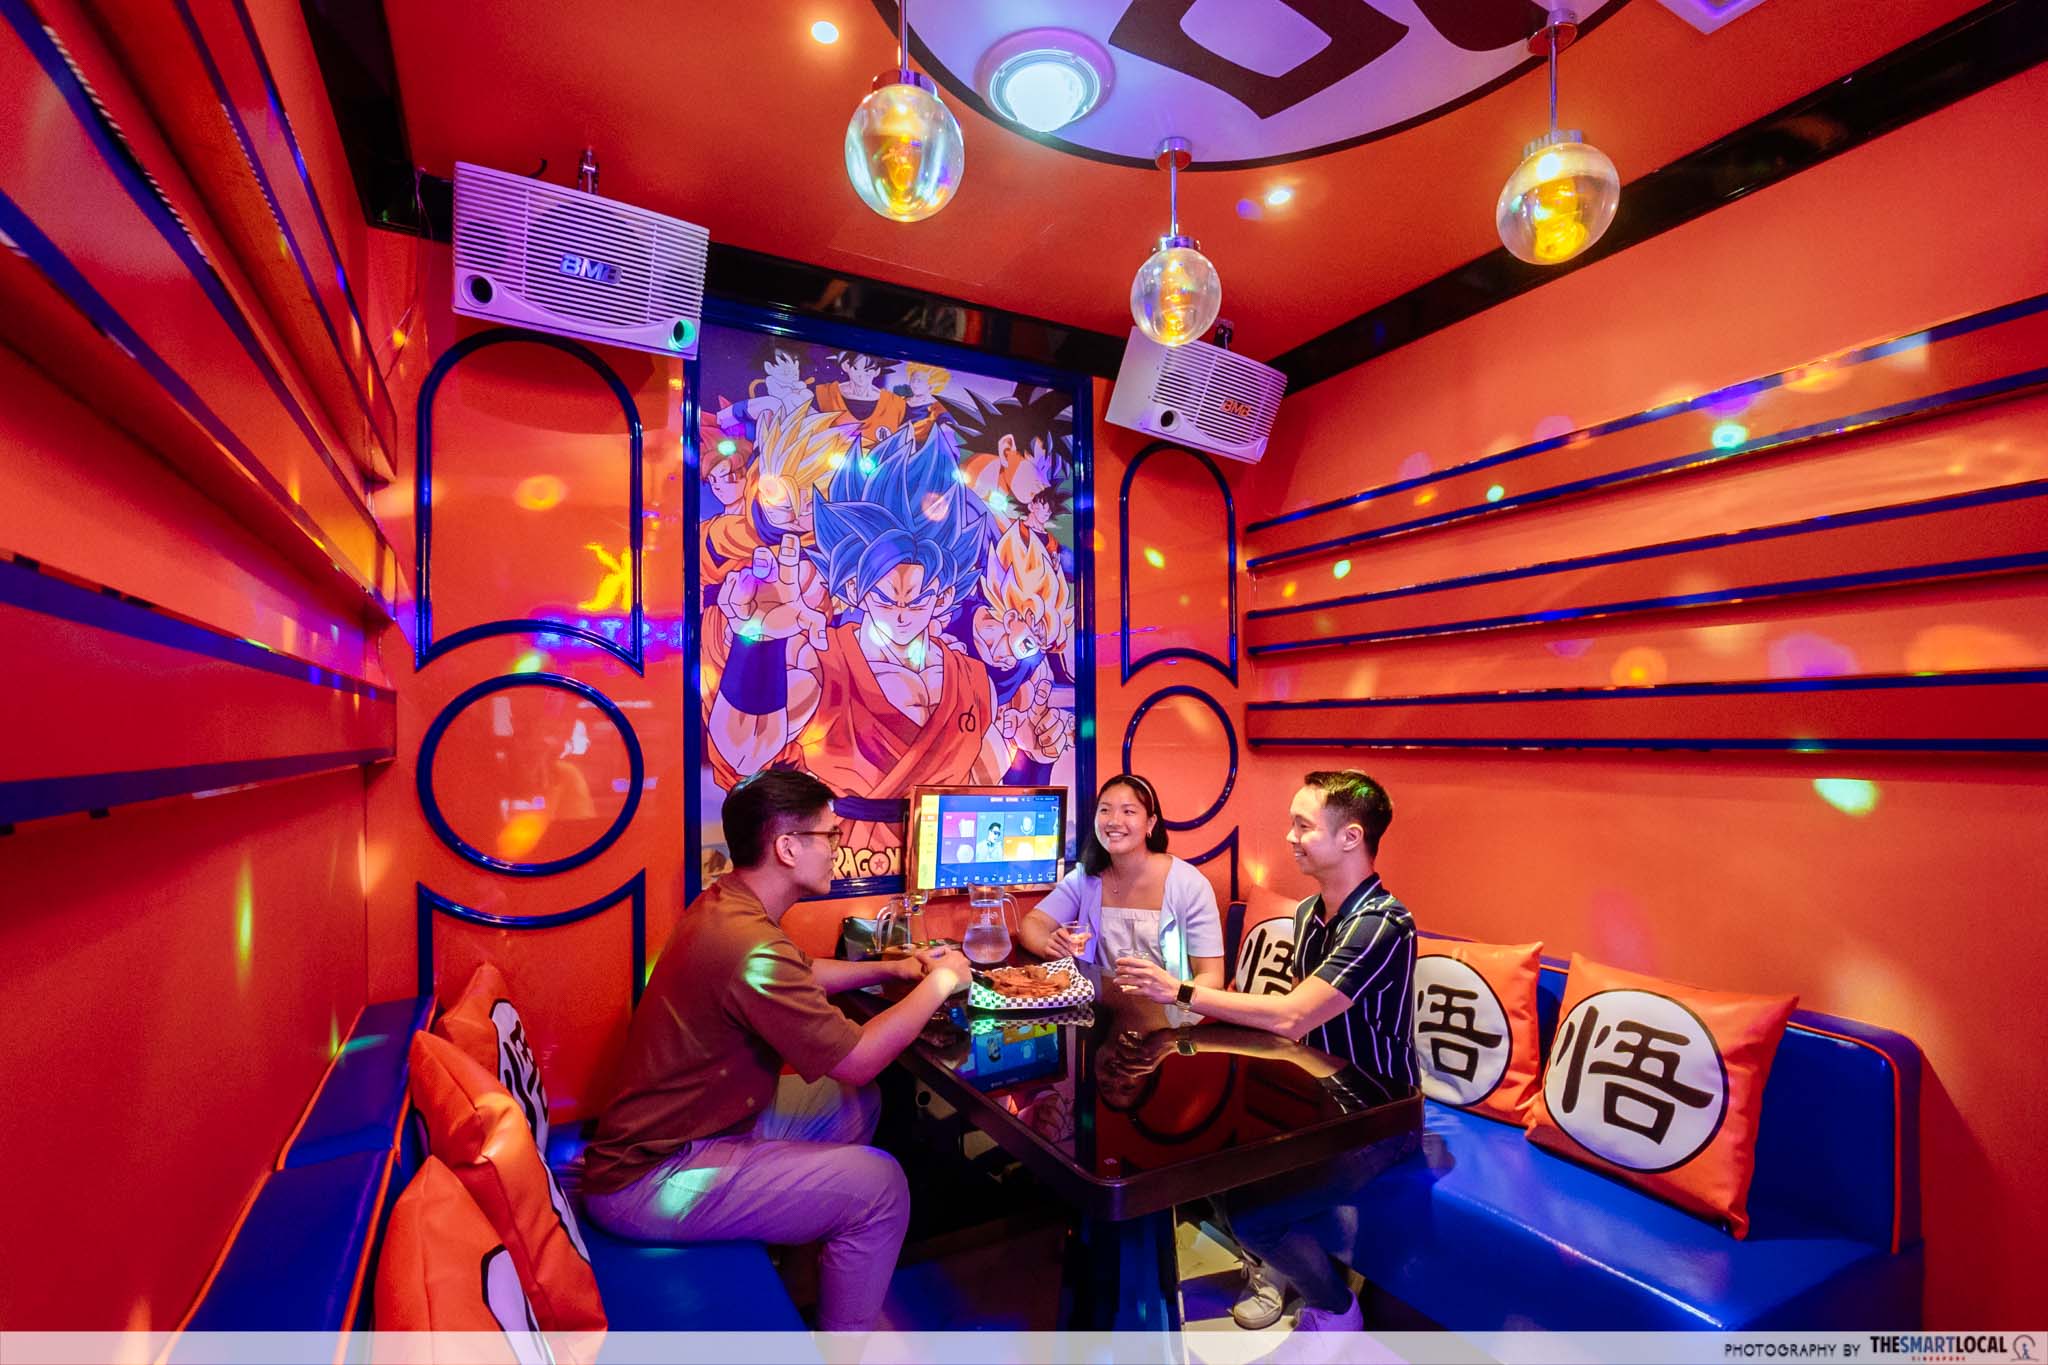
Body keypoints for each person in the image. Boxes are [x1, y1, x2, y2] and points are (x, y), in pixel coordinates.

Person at [581, 769, 967, 1333]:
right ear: (787, 848)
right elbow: (858, 1057)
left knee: (853, 1104)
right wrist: (944, 981)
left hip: (695, 1128)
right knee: (881, 1186)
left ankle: (812, 1255)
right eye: (830, 836)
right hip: (649, 1178)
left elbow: (799, 970)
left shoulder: (729, 904)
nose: (838, 850)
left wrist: (895, 968)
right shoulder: (749, 943)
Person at [1113, 770, 1419, 1338]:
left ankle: (1335, 1310)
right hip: (1315, 1100)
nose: (1289, 837)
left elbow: (1292, 1016)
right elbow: (1291, 1032)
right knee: (1211, 1163)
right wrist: (1179, 1045)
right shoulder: (1309, 914)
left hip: (1376, 1120)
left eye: (1303, 826)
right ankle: (1276, 1268)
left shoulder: (1382, 924)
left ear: (1350, 837)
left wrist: (1178, 991)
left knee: (1253, 1214)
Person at [1018, 773, 1226, 993]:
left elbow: (1212, 977)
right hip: (1100, 1009)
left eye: (1128, 811)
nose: (1114, 821)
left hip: (1172, 1011)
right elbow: (1032, 924)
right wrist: (1049, 946)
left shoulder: (1189, 884)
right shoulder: (1086, 878)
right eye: (1105, 810)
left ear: (1150, 823)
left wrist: (1173, 992)